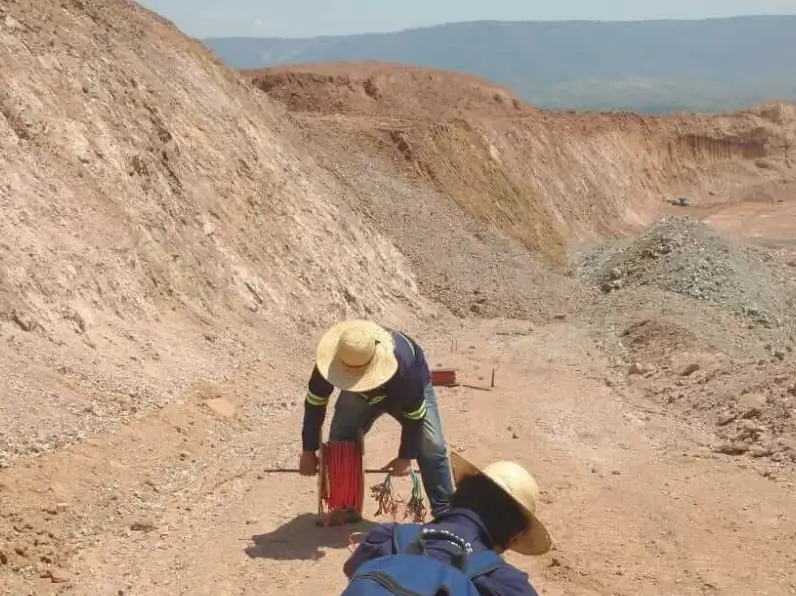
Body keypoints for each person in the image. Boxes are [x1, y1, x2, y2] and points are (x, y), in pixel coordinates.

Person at [298, 319, 454, 517]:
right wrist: (309, 450)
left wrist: (406, 456)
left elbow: (415, 416)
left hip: (405, 390)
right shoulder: (329, 361)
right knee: (341, 440)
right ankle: (346, 506)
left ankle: (446, 512)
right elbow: (315, 403)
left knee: (432, 444)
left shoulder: (404, 368)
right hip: (362, 396)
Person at [341, 452, 551, 596]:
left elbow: (353, 572)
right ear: (513, 537)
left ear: (458, 495)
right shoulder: (509, 587)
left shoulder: (386, 539)